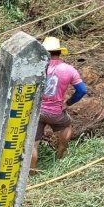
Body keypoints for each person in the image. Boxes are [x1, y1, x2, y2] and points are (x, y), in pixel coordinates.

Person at [31, 37, 88, 173]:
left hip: (36, 112)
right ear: (60, 52)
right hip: (56, 112)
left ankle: (31, 172)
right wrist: (68, 103)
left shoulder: (36, 68)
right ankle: (60, 156)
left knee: (32, 145)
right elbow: (82, 90)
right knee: (66, 126)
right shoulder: (69, 70)